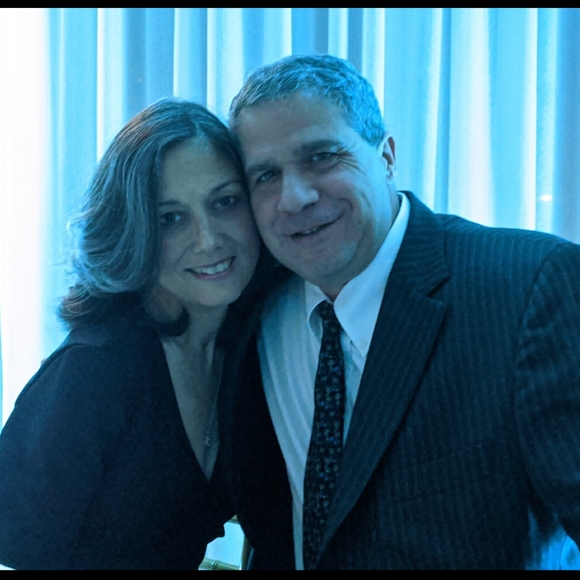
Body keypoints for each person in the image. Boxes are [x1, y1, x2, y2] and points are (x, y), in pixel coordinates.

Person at [218, 53, 580, 569]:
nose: (294, 197)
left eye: (320, 156)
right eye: (265, 175)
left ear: (386, 156)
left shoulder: (528, 287)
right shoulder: (247, 304)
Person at [0, 97, 263, 570]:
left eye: (224, 202)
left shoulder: (249, 347)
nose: (208, 239)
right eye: (171, 218)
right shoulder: (93, 370)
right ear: (134, 230)